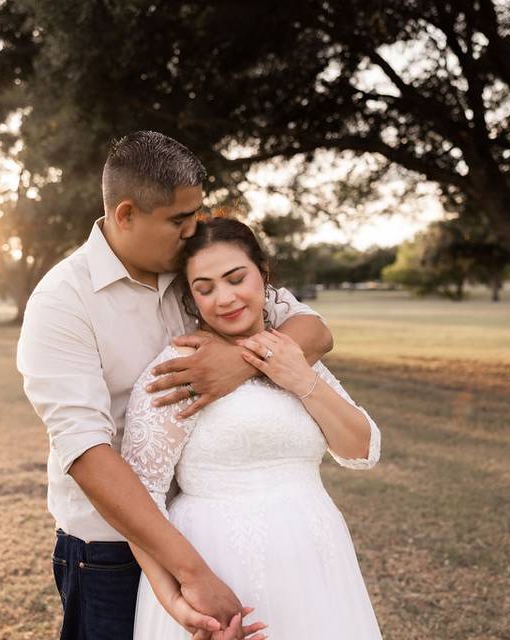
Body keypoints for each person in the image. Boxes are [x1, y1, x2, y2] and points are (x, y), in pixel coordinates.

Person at [16, 131, 333, 640]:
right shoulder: (61, 301)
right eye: (178, 220)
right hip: (111, 552)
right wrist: (192, 574)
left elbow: (315, 330)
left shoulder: (195, 273)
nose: (194, 231)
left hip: (214, 530)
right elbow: (88, 454)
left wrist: (240, 361)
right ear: (125, 215)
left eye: (196, 215)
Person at [122, 217, 384, 639]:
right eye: (204, 288)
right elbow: (140, 499)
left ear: (263, 274)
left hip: (316, 560)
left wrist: (301, 379)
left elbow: (362, 450)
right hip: (219, 564)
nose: (224, 298)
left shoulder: (294, 352)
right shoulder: (181, 368)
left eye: (235, 278)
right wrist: (180, 594)